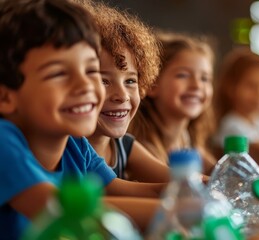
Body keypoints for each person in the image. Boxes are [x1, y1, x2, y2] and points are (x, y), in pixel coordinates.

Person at [0, 0, 160, 238]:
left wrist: (203, 192)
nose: (85, 85)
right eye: (59, 73)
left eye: (91, 70)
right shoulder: (4, 143)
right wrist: (182, 211)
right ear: (5, 97)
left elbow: (120, 192)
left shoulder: (74, 144)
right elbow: (62, 210)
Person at [77, 0, 171, 183]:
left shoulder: (124, 146)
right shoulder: (69, 148)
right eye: (103, 81)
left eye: (130, 81)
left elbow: (176, 182)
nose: (122, 95)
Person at [128, 31, 217, 175]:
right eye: (183, 75)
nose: (197, 86)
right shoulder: (141, 144)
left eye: (205, 78)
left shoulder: (186, 137)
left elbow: (219, 172)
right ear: (152, 85)